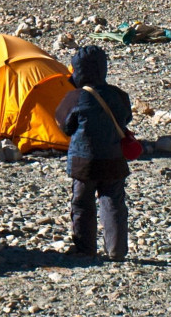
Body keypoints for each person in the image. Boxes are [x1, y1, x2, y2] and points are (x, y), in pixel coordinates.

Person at [55, 44, 133, 260]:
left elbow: (65, 126)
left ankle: (85, 249)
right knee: (113, 203)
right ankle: (117, 251)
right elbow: (125, 119)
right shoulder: (118, 95)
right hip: (114, 160)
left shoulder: (75, 97)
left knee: (82, 204)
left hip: (84, 162)